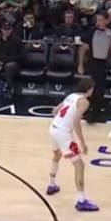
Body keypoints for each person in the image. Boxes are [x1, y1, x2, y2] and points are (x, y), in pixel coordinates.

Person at [46, 78, 99, 212]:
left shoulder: (71, 96)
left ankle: (51, 185)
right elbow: (76, 122)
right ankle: (81, 201)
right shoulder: (84, 102)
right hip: (64, 134)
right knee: (79, 165)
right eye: (92, 88)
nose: (93, 90)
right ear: (88, 89)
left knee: (57, 154)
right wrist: (82, 143)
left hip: (53, 128)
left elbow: (55, 111)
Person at [76, 12, 111, 123]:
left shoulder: (109, 33)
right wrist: (80, 64)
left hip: (103, 63)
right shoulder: (91, 32)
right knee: (92, 88)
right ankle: (88, 111)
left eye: (101, 20)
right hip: (93, 62)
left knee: (101, 88)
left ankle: (96, 112)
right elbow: (83, 48)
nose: (98, 22)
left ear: (106, 21)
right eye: (97, 20)